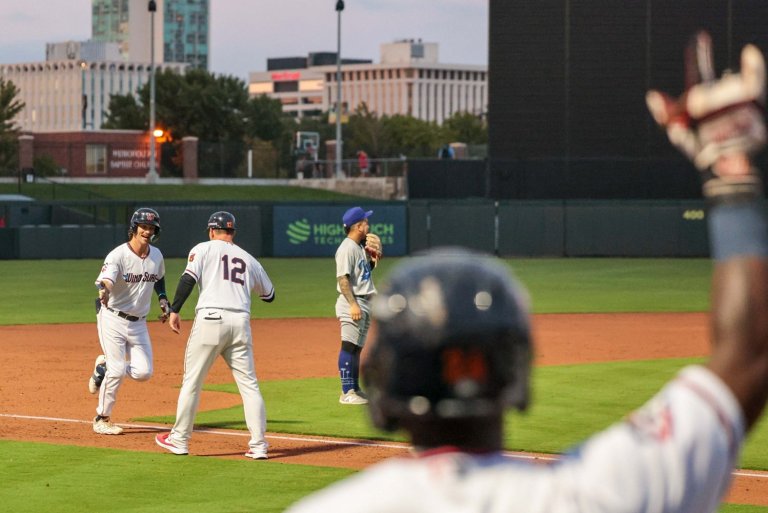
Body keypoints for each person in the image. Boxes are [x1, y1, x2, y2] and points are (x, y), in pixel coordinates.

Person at [286, 32, 768, 512]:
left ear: (387, 382)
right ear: (515, 368)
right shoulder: (591, 496)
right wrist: (731, 169)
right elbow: (748, 355)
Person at [154, 211, 275, 459]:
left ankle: (179, 439)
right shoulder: (248, 259)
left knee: (193, 381)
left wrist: (175, 310)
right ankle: (259, 445)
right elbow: (270, 295)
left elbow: (188, 279)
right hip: (240, 323)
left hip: (211, 320)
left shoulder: (204, 248)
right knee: (249, 386)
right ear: (233, 233)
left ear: (211, 231)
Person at [88, 207, 169, 436]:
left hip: (139, 323)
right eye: (144, 226)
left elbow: (159, 278)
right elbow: (107, 279)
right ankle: (101, 418)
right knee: (117, 369)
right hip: (112, 317)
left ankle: (102, 366)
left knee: (144, 372)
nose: (147, 231)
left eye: (152, 228)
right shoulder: (118, 255)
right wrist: (104, 290)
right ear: (134, 228)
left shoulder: (156, 255)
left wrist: (163, 299)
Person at [335, 206, 382, 405]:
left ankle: (355, 388)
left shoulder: (358, 247)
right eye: (365, 222)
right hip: (352, 302)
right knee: (348, 346)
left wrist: (373, 260)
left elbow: (362, 274)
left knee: (356, 349)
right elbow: (343, 279)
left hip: (364, 301)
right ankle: (347, 392)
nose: (368, 225)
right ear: (358, 226)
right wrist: (353, 304)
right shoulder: (346, 248)